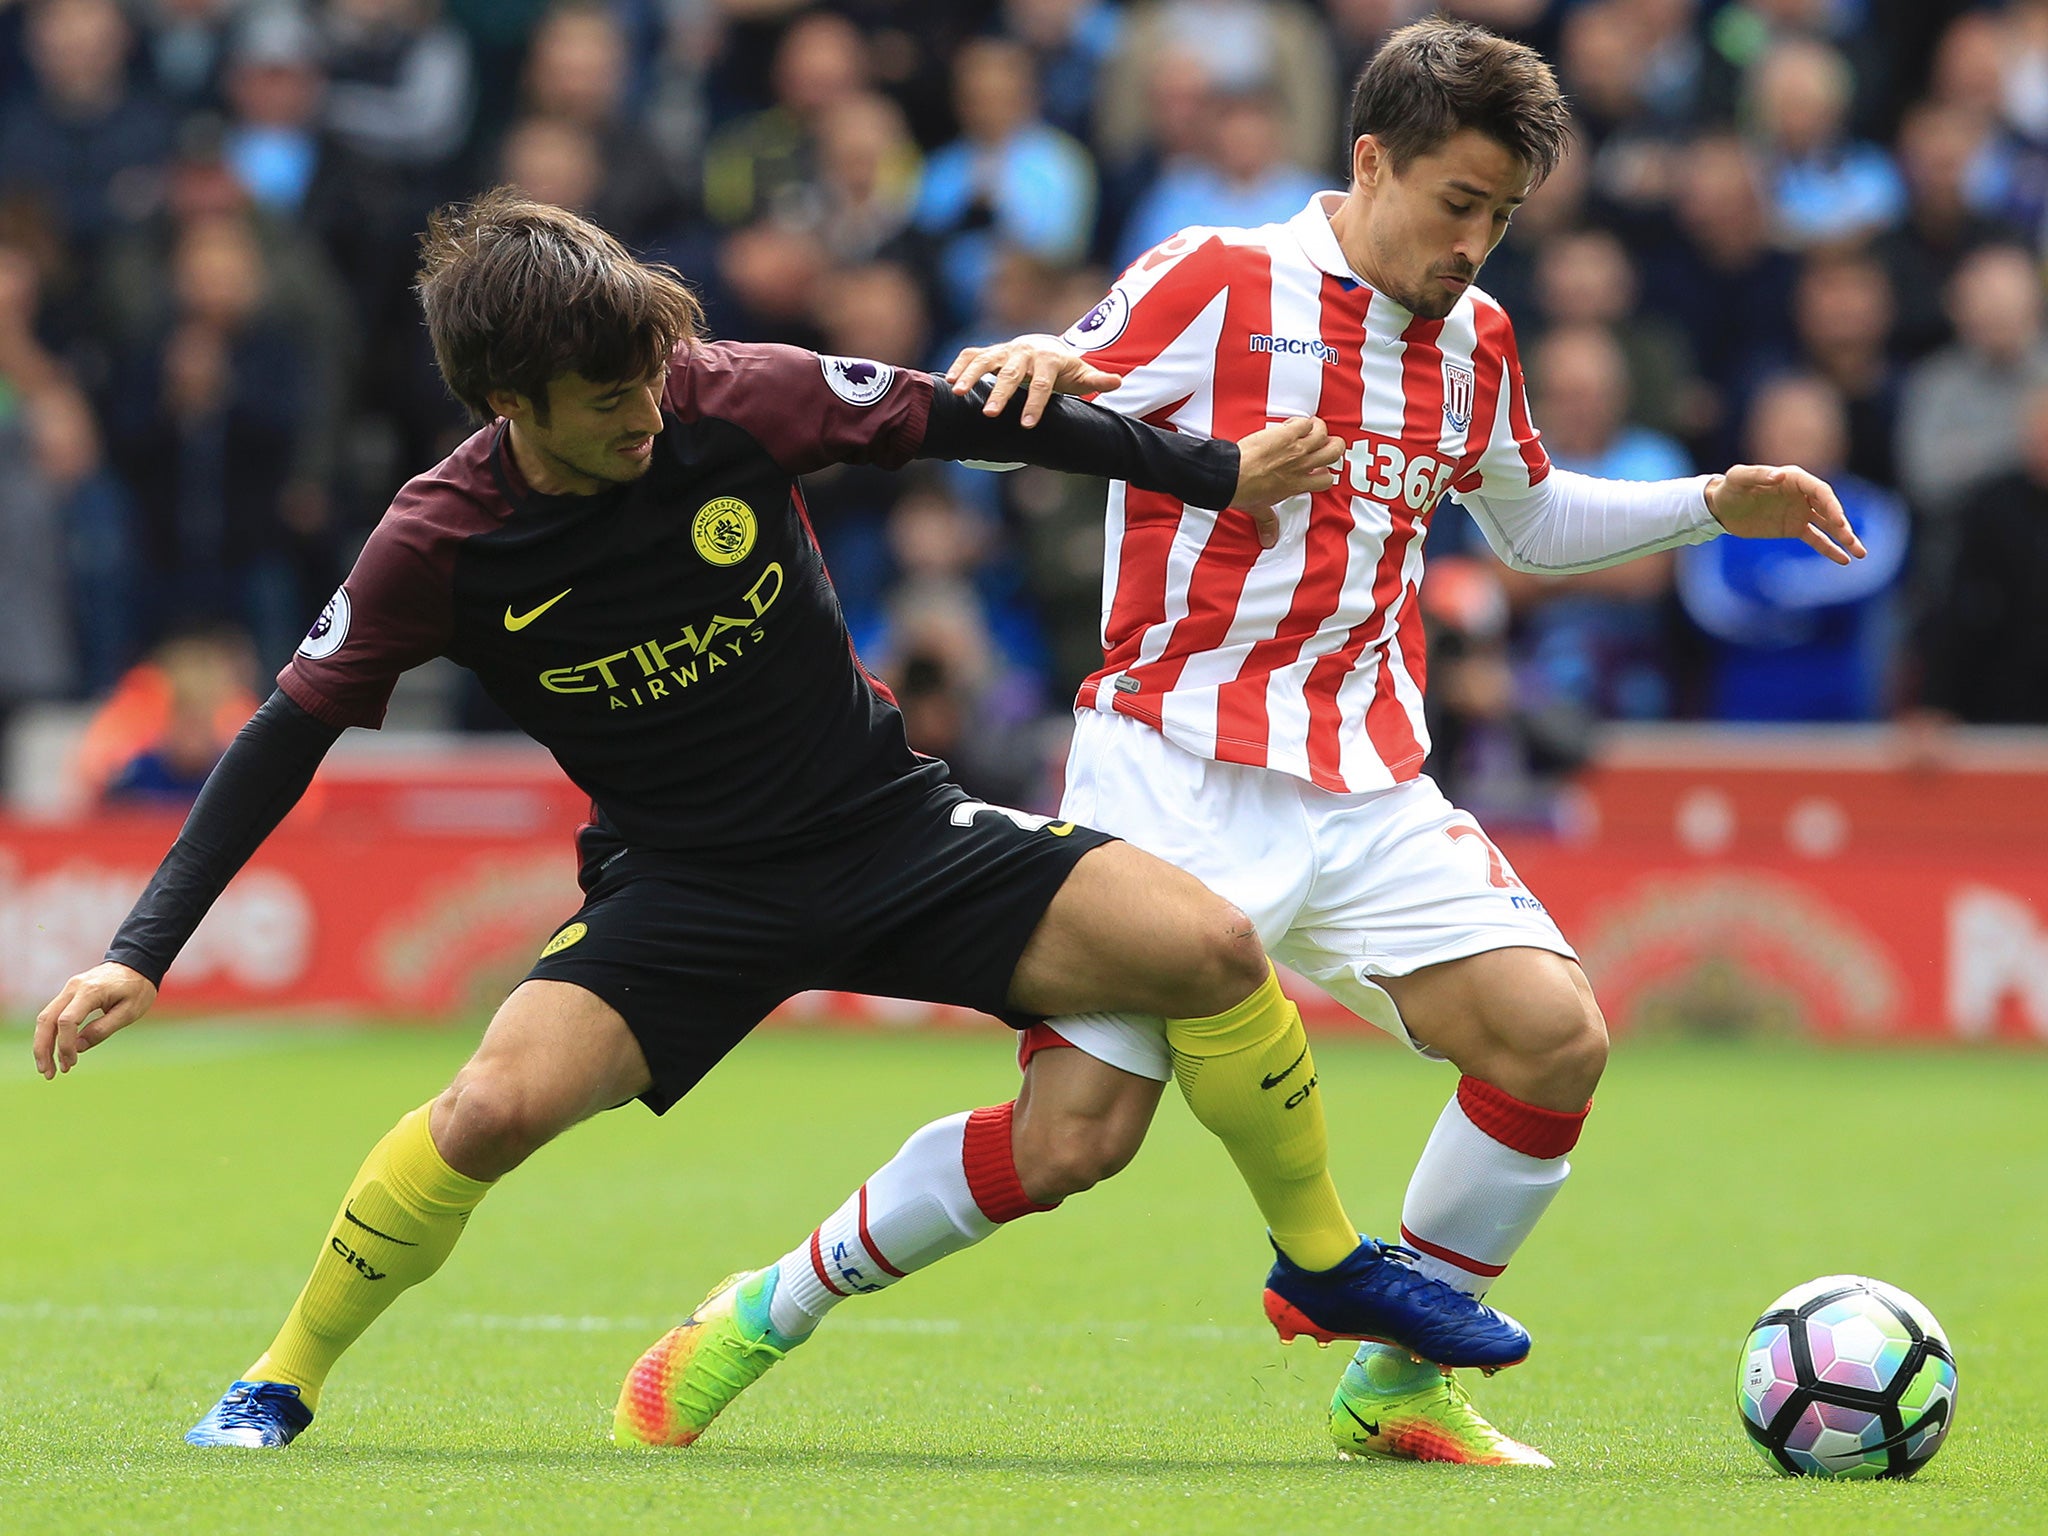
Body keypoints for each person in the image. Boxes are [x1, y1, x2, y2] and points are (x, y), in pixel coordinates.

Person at [33, 191, 1528, 1454]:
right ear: (509, 405)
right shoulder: (441, 538)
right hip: (684, 890)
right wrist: (144, 948)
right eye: (609, 397)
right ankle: (278, 1380)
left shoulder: (726, 394)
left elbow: (966, 419)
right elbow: (286, 731)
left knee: (1207, 949)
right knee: (486, 1112)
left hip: (890, 828)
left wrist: (1209, 471)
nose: (646, 411)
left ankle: (1326, 1263)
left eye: (652, 376)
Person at [937, 17, 1863, 1466]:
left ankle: (1399, 1384)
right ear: (1371, 160)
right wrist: (1025, 368)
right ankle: (767, 1307)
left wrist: (1707, 501)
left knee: (1556, 1040)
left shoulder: (1476, 339)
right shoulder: (1218, 277)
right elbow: (1028, 418)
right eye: (1458, 203)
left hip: (1365, 778)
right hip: (1175, 771)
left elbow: (1530, 516)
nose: (1478, 242)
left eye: (1503, 215)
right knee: (1071, 1144)